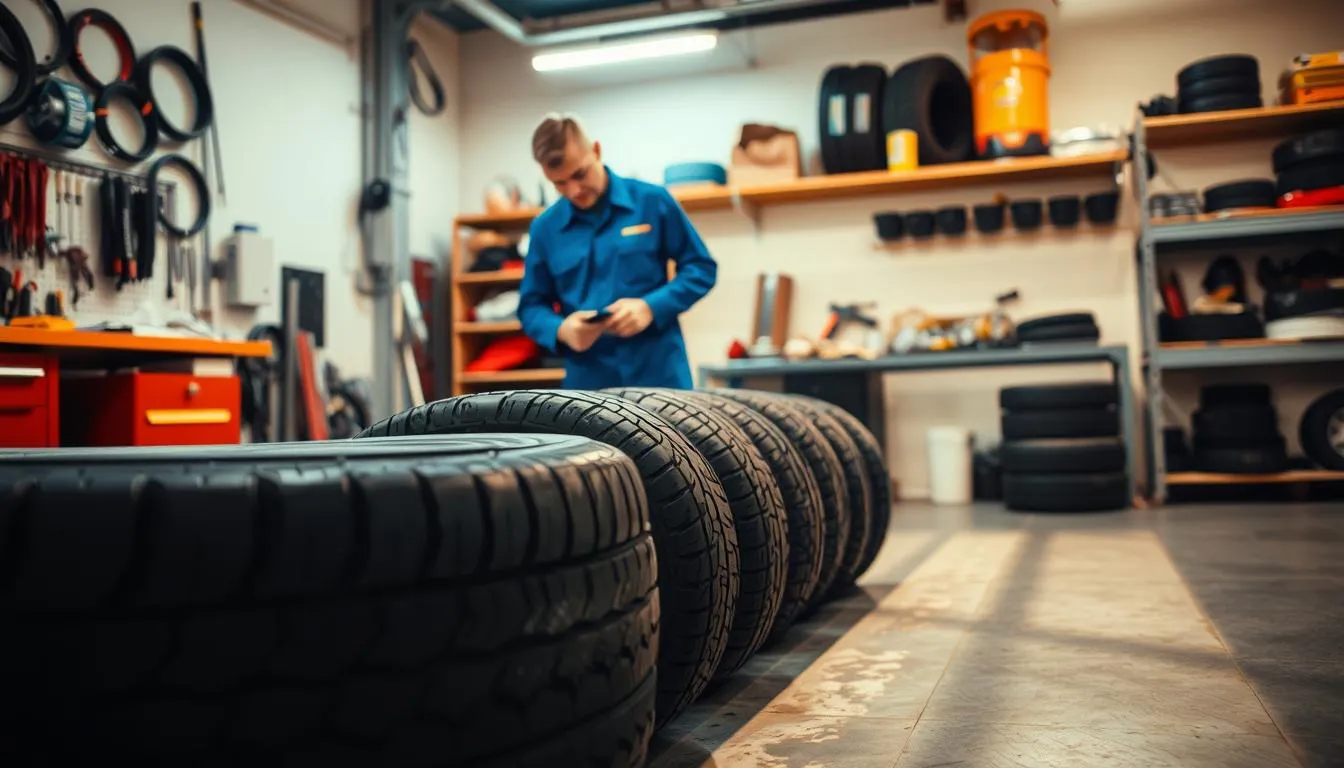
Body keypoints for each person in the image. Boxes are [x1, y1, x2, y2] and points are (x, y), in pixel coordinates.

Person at [517, 113, 717, 390]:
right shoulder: (544, 228)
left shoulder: (652, 201)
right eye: (560, 183)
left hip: (658, 374)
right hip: (588, 384)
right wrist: (561, 330)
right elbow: (530, 307)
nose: (574, 190)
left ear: (596, 151)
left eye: (579, 174)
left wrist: (651, 307)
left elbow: (701, 268)